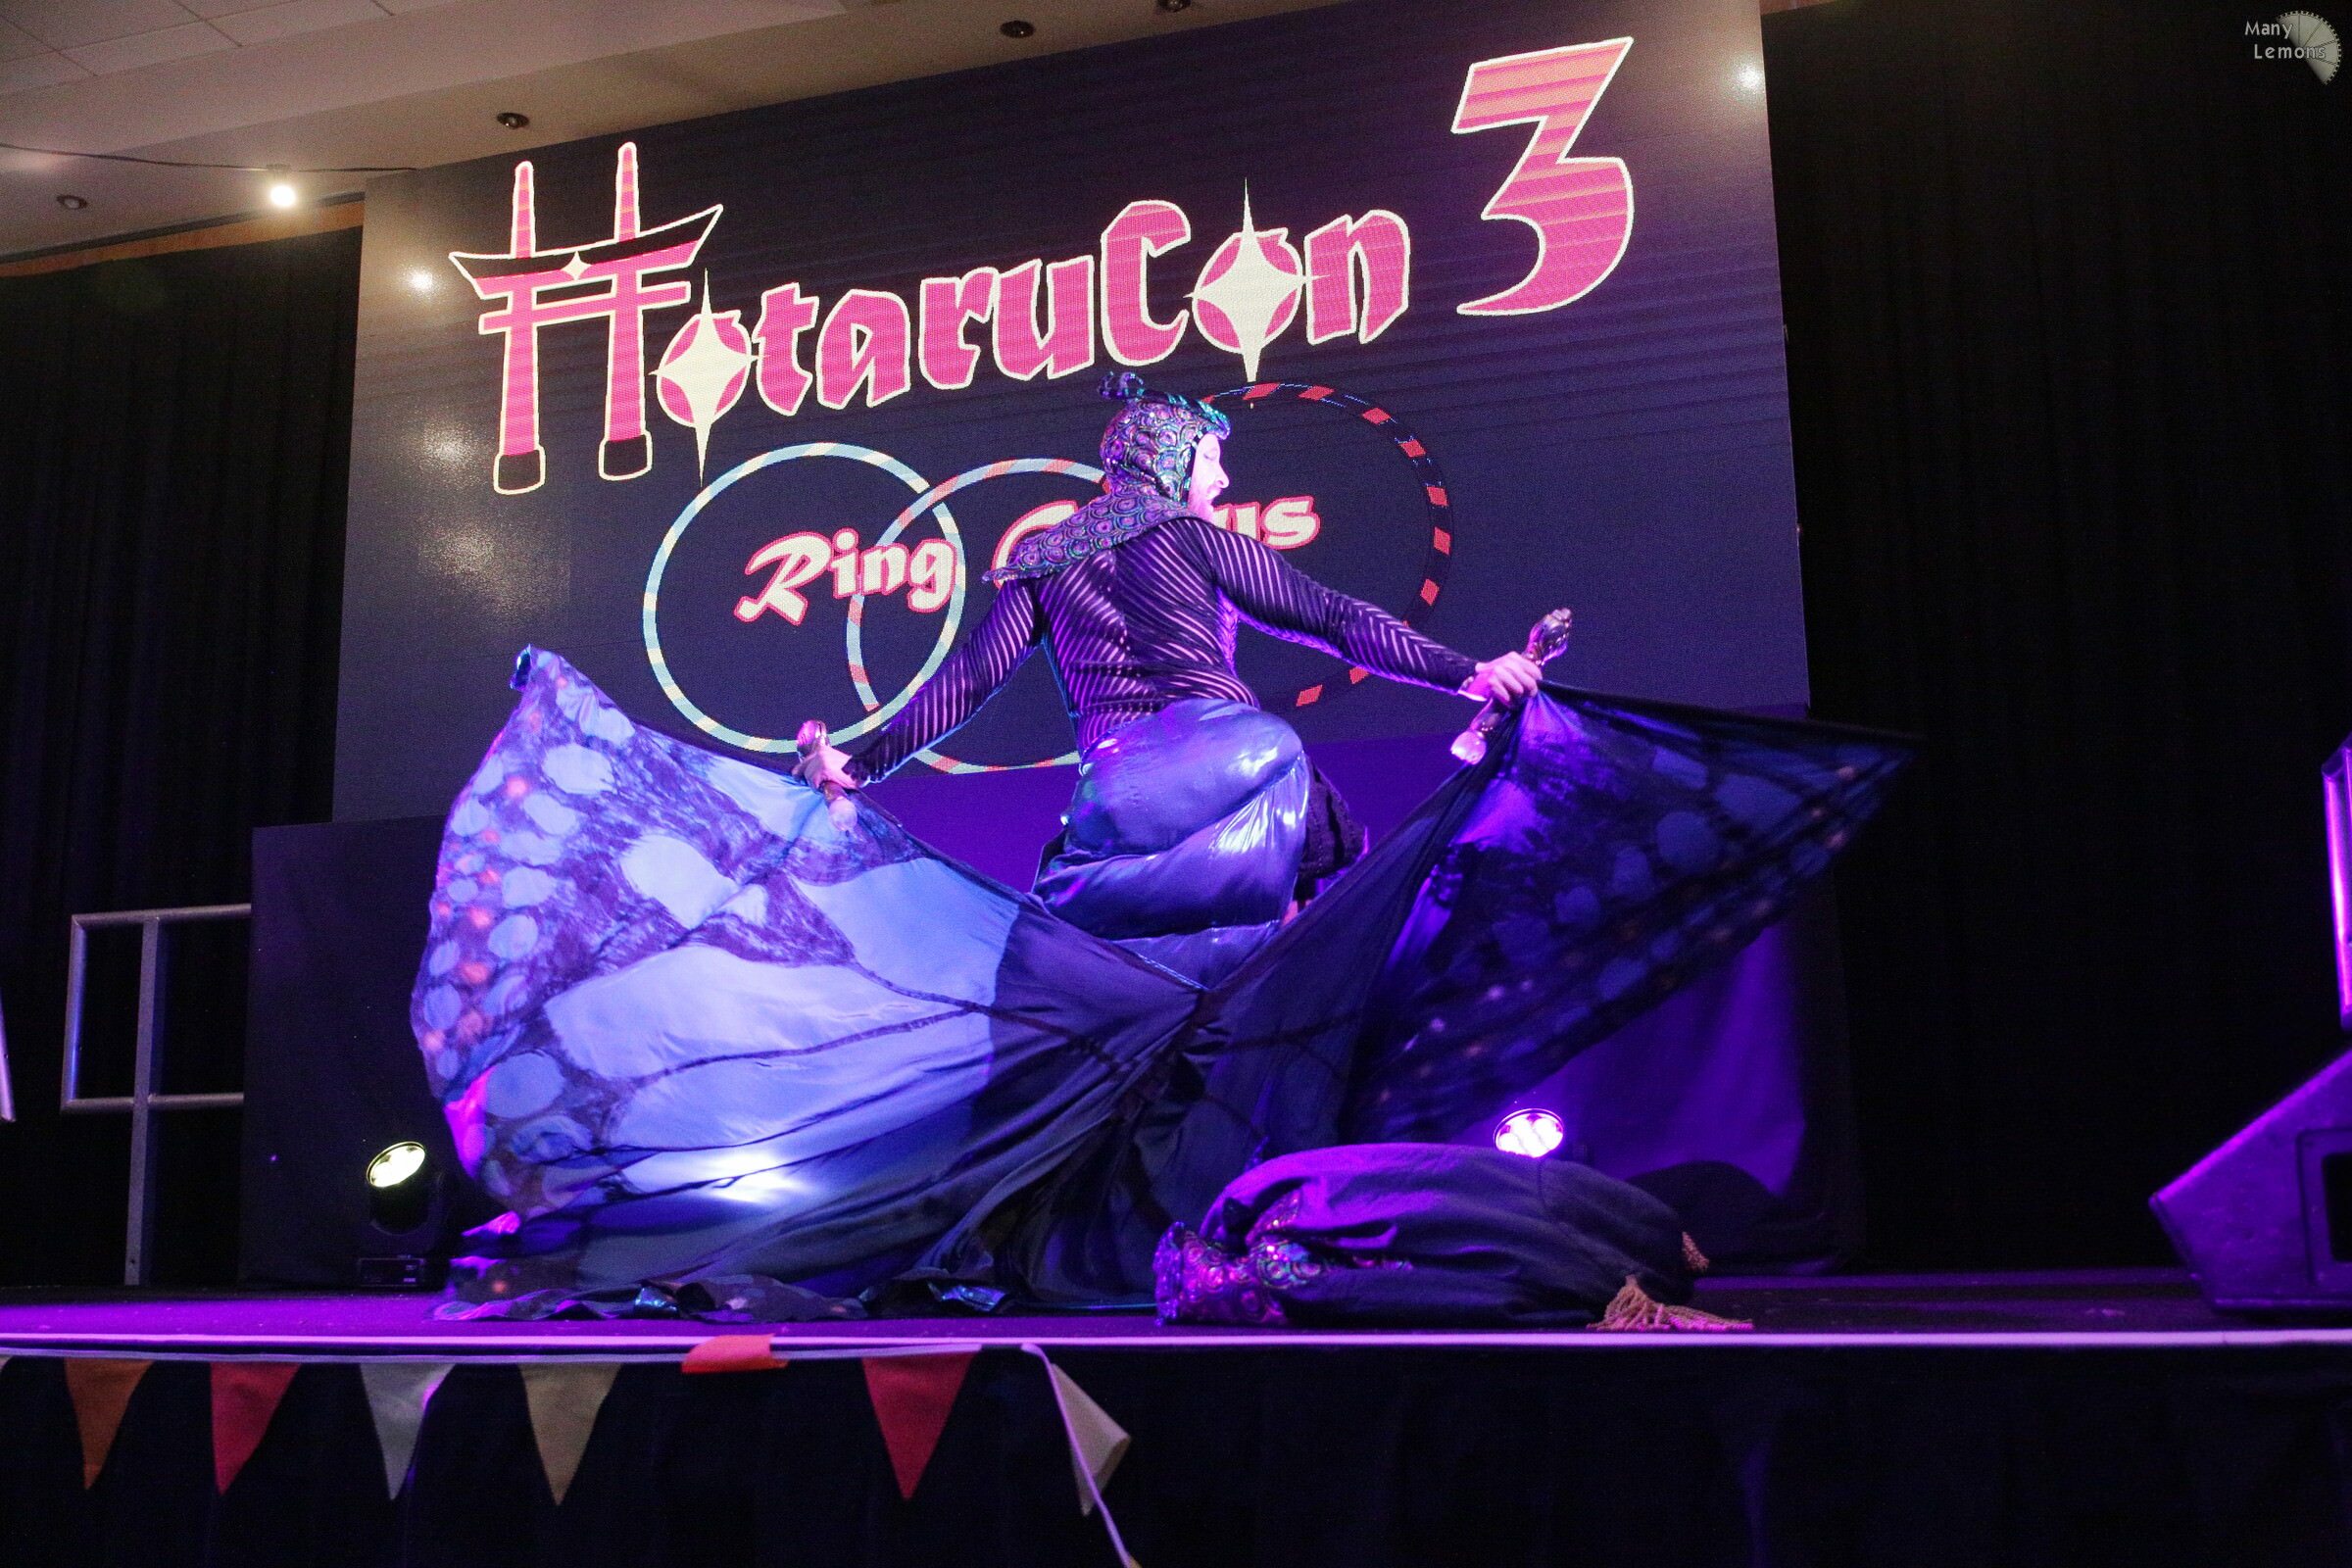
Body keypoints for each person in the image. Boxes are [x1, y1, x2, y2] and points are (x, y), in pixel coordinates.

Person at [794, 374, 1539, 982]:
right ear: (1175, 462)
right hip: (1233, 752)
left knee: (1092, 973)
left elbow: (973, 677)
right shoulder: (1199, 538)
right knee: (1311, 927)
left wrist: (860, 767)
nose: (1224, 477)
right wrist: (1470, 675)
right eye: (1211, 459)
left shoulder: (1045, 558)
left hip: (1121, 783)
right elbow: (1334, 619)